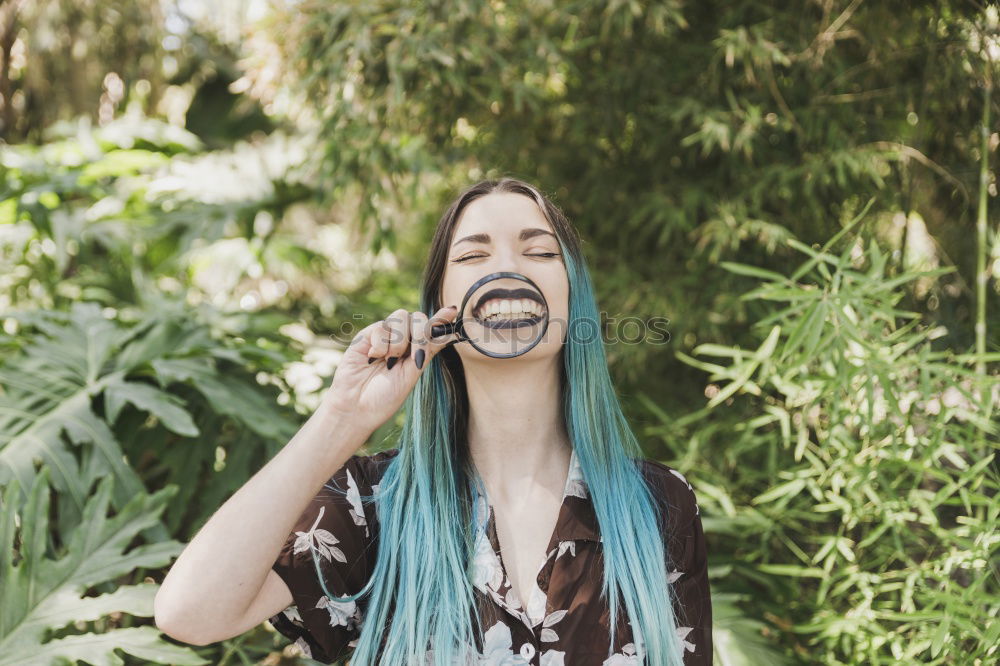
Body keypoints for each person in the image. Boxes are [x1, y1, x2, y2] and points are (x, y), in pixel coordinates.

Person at [154, 177, 713, 665]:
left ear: (574, 299)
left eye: (538, 252)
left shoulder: (659, 504)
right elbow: (189, 613)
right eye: (473, 256)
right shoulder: (370, 504)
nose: (507, 268)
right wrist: (342, 418)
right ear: (442, 307)